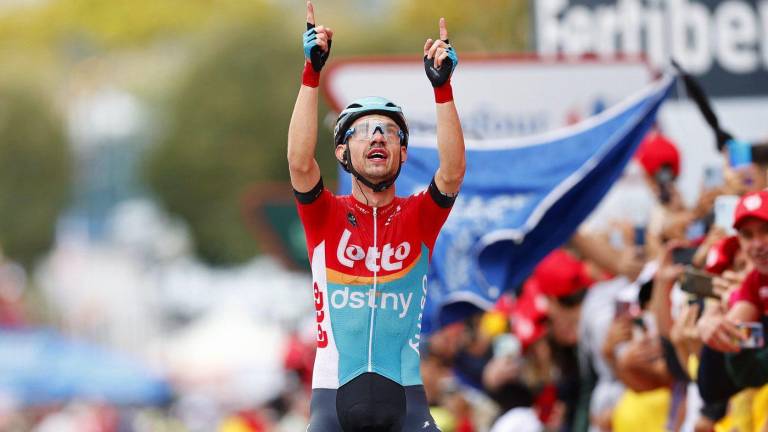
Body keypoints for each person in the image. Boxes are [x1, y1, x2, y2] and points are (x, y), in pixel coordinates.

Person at [287, 2, 465, 430]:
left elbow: (453, 172)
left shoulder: (420, 216)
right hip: (333, 401)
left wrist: (442, 90)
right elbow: (298, 163)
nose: (377, 136)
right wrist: (311, 75)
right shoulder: (326, 214)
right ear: (341, 152)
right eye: (363, 131)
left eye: (388, 131)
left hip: (404, 400)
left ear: (403, 152)